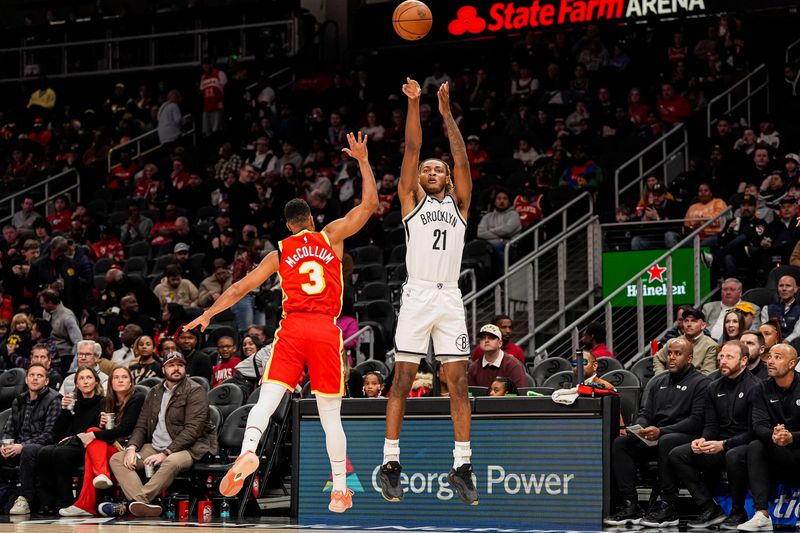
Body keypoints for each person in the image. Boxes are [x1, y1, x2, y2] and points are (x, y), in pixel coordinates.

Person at [185, 131, 379, 514]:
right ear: (310, 219)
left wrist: (207, 314)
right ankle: (340, 487)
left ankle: (247, 452)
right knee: (329, 416)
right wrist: (362, 160)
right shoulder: (332, 236)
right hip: (325, 330)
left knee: (267, 399)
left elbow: (239, 287)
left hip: (291, 330)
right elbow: (370, 205)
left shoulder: (280, 252)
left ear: (290, 226)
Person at [378, 78, 478, 506]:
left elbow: (461, 157)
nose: (432, 171)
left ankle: (462, 465)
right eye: (427, 170)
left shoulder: (460, 205)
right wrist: (415, 104)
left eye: (438, 170)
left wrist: (447, 113)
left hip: (450, 298)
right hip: (418, 296)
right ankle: (390, 462)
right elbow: (412, 151)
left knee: (458, 382)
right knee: (401, 378)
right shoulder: (410, 201)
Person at [604, 338, 709, 527]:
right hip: (657, 435)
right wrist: (640, 428)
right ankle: (631, 505)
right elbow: (646, 413)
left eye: (678, 354)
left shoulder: (701, 383)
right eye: (669, 353)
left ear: (690, 358)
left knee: (667, 441)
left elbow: (696, 421)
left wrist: (661, 431)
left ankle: (668, 505)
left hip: (686, 438)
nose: (672, 358)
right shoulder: (658, 381)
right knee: (621, 444)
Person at [109, 352, 217, 517]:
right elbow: (141, 425)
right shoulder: (154, 392)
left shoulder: (195, 391)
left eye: (180, 365)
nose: (176, 369)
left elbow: (193, 430)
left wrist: (165, 453)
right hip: (155, 446)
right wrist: (131, 448)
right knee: (118, 459)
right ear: (163, 369)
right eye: (171, 365)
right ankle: (145, 505)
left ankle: (138, 500)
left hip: (190, 448)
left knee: (171, 461)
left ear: (185, 368)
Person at [668, 340, 760, 529]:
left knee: (734, 455)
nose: (723, 361)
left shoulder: (756, 387)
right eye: (721, 356)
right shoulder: (713, 387)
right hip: (718, 445)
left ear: (743, 361)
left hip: (744, 446)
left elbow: (754, 432)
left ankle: (738, 511)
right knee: (678, 454)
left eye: (729, 357)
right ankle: (709, 508)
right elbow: (711, 425)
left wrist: (724, 444)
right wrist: (703, 439)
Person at [58, 367, 146, 517]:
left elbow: (126, 429)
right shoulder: (107, 401)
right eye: (116, 377)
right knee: (93, 439)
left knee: (93, 438)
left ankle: (86, 504)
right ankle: (101, 477)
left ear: (131, 382)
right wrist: (102, 426)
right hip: (113, 446)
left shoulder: (137, 398)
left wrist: (97, 433)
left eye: (124, 377)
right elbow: (104, 432)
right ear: (110, 382)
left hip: (132, 449)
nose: (120, 380)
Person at [739, 344, 800, 532]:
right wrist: (773, 435)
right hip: (778, 448)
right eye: (770, 356)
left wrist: (792, 437)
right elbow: (758, 425)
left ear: (792, 363)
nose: (770, 361)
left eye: (778, 357)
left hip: (798, 446)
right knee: (755, 445)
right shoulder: (761, 388)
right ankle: (762, 514)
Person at [37, 366, 104, 514]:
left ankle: (64, 501)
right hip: (69, 444)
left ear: (96, 382)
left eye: (89, 378)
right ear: (77, 384)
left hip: (88, 446)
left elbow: (94, 431)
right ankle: (47, 502)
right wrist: (65, 410)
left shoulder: (102, 402)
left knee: (60, 454)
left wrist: (73, 438)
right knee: (43, 452)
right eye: (81, 378)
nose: (85, 382)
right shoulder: (75, 403)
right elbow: (57, 433)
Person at [2, 363, 61, 515]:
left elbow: (50, 434)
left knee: (28, 450)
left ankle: (25, 499)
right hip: (19, 446)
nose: (35, 378)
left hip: (42, 447)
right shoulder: (19, 400)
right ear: (26, 380)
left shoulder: (54, 399)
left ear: (46, 381)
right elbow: (9, 429)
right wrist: (4, 444)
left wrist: (21, 446)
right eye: (32, 375)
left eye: (39, 376)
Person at [654, 308, 717, 374]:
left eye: (693, 321)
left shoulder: (711, 345)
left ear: (703, 325)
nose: (689, 324)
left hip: (696, 382)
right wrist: (660, 376)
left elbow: (707, 374)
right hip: (672, 381)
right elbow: (658, 358)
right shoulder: (672, 342)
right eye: (686, 321)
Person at [468, 324, 527, 390]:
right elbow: (471, 394)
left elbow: (520, 395)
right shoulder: (473, 368)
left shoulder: (513, 365)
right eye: (483, 338)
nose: (486, 340)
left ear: (500, 343)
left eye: (491, 337)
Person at [760, 275, 800, 341]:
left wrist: (785, 343)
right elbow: (765, 330)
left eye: (788, 285)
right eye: (781, 285)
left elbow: (797, 333)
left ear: (795, 289)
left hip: (793, 346)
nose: (784, 289)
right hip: (771, 344)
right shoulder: (767, 309)